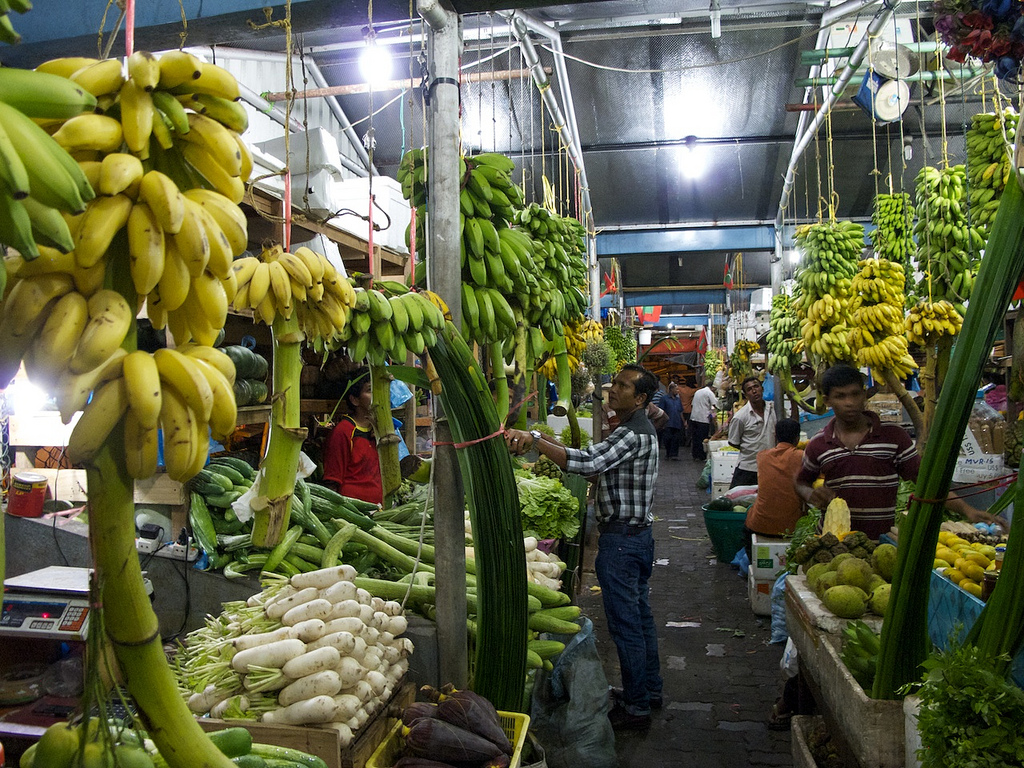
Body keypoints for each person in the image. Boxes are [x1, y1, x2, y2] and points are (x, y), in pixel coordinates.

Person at [506, 364, 663, 731]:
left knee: (627, 625)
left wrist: (535, 440)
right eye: (614, 384)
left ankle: (638, 707)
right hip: (635, 538)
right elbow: (598, 467)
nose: (613, 390)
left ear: (640, 399)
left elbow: (589, 463)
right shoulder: (634, 430)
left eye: (623, 387)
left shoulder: (633, 433)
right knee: (640, 618)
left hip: (622, 542)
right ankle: (648, 690)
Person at [794, 363, 1006, 538]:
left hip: (880, 542)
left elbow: (925, 482)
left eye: (855, 394)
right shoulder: (819, 444)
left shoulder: (893, 437)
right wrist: (810, 493)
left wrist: (967, 509)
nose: (849, 403)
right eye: (840, 396)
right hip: (832, 542)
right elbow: (800, 481)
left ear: (865, 395)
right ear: (827, 399)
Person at [743, 418, 804, 562]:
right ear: (797, 438)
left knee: (746, 527)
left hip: (759, 524)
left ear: (775, 436)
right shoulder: (801, 457)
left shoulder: (762, 456)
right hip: (791, 527)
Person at [322, 367, 383, 505]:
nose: (377, 394)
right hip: (354, 510)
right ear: (354, 400)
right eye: (369, 390)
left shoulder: (381, 429)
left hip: (381, 509)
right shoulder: (343, 431)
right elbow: (332, 481)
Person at [727, 376, 777, 488]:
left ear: (762, 388)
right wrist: (752, 448)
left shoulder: (773, 409)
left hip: (770, 467)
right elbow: (733, 442)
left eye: (756, 386)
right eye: (749, 389)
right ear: (746, 395)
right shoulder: (740, 417)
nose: (754, 391)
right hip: (748, 468)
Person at [690, 380, 718, 462]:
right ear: (712, 387)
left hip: (694, 417)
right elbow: (716, 405)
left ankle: (695, 455)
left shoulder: (698, 392)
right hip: (703, 419)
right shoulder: (709, 393)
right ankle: (701, 455)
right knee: (702, 438)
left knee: (695, 437)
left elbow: (692, 404)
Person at [659, 381, 685, 460]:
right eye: (676, 390)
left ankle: (674, 454)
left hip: (676, 422)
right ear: (671, 390)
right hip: (668, 422)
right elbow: (661, 411)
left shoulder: (677, 400)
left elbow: (680, 411)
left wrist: (684, 421)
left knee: (676, 439)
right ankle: (668, 453)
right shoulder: (664, 399)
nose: (678, 391)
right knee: (668, 439)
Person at [678, 379, 697, 446]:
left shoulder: (681, 389)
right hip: (689, 410)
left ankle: (681, 441)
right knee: (689, 427)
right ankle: (688, 442)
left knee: (681, 427)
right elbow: (700, 388)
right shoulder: (691, 391)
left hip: (681, 410)